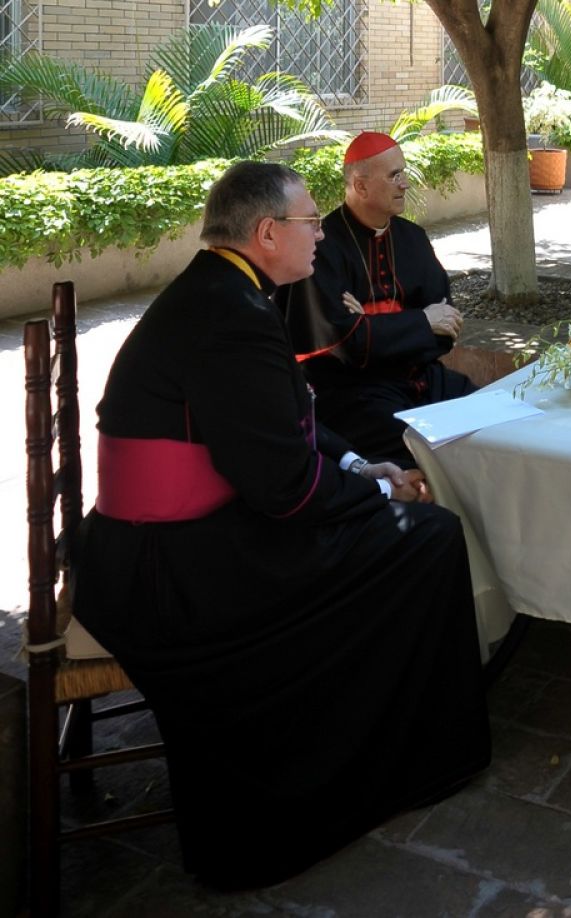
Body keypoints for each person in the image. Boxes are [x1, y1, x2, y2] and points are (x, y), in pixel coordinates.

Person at [74, 161, 491, 890]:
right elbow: (287, 489)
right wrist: (384, 491)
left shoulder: (226, 291)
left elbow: (291, 426)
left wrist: (364, 467)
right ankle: (407, 760)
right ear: (268, 235)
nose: (321, 239)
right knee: (424, 540)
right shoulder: (232, 316)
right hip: (171, 573)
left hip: (169, 542)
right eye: (309, 226)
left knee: (405, 528)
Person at [280, 131, 474, 467]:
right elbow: (342, 344)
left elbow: (447, 327)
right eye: (394, 175)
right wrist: (420, 321)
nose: (405, 184)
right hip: (355, 393)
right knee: (417, 446)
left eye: (404, 173)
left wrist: (370, 324)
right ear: (360, 186)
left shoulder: (413, 238)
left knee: (485, 417)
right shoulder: (323, 248)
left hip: (422, 378)